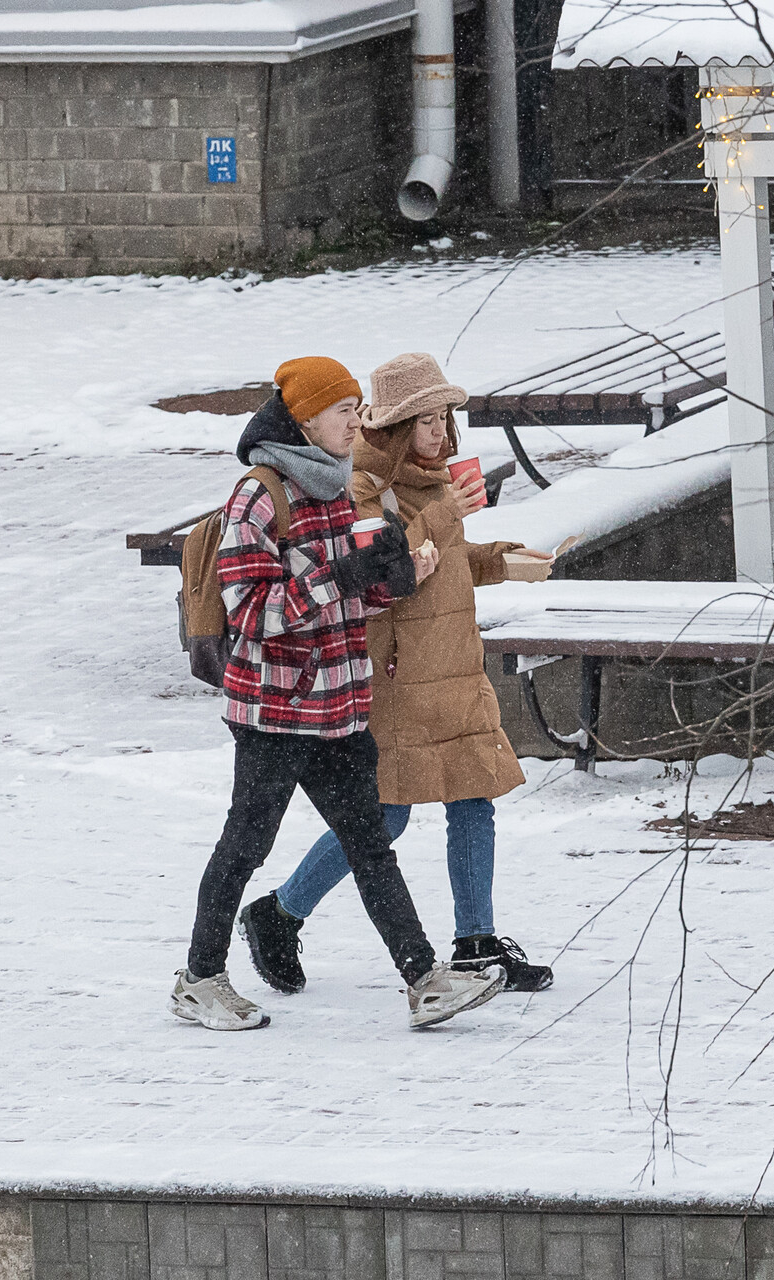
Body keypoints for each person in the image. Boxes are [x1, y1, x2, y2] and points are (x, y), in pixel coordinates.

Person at [171, 356, 509, 1032]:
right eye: (341, 411)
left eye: (358, 408)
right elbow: (255, 612)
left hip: (341, 706)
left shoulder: (349, 490)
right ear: (304, 420)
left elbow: (369, 590)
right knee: (246, 843)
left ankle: (424, 981)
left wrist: (398, 574)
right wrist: (344, 575)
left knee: (370, 845)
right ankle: (199, 978)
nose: (356, 421)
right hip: (274, 710)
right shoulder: (260, 496)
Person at [236, 352, 556, 997]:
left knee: (474, 800)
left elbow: (446, 557)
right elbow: (391, 567)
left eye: (445, 419)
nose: (441, 433)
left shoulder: (435, 480)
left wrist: (499, 561)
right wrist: (449, 519)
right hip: (397, 677)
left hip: (455, 670)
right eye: (426, 421)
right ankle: (279, 912)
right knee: (385, 816)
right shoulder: (361, 486)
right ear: (393, 426)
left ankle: (474, 943)